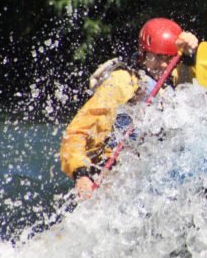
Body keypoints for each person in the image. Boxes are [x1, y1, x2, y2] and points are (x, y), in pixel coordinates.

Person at [59, 18, 199, 198]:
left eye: (169, 58)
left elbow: (200, 86)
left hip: (155, 172)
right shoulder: (121, 83)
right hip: (115, 173)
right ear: (143, 55)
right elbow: (76, 133)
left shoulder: (175, 75)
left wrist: (191, 54)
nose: (164, 64)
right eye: (158, 57)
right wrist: (81, 174)